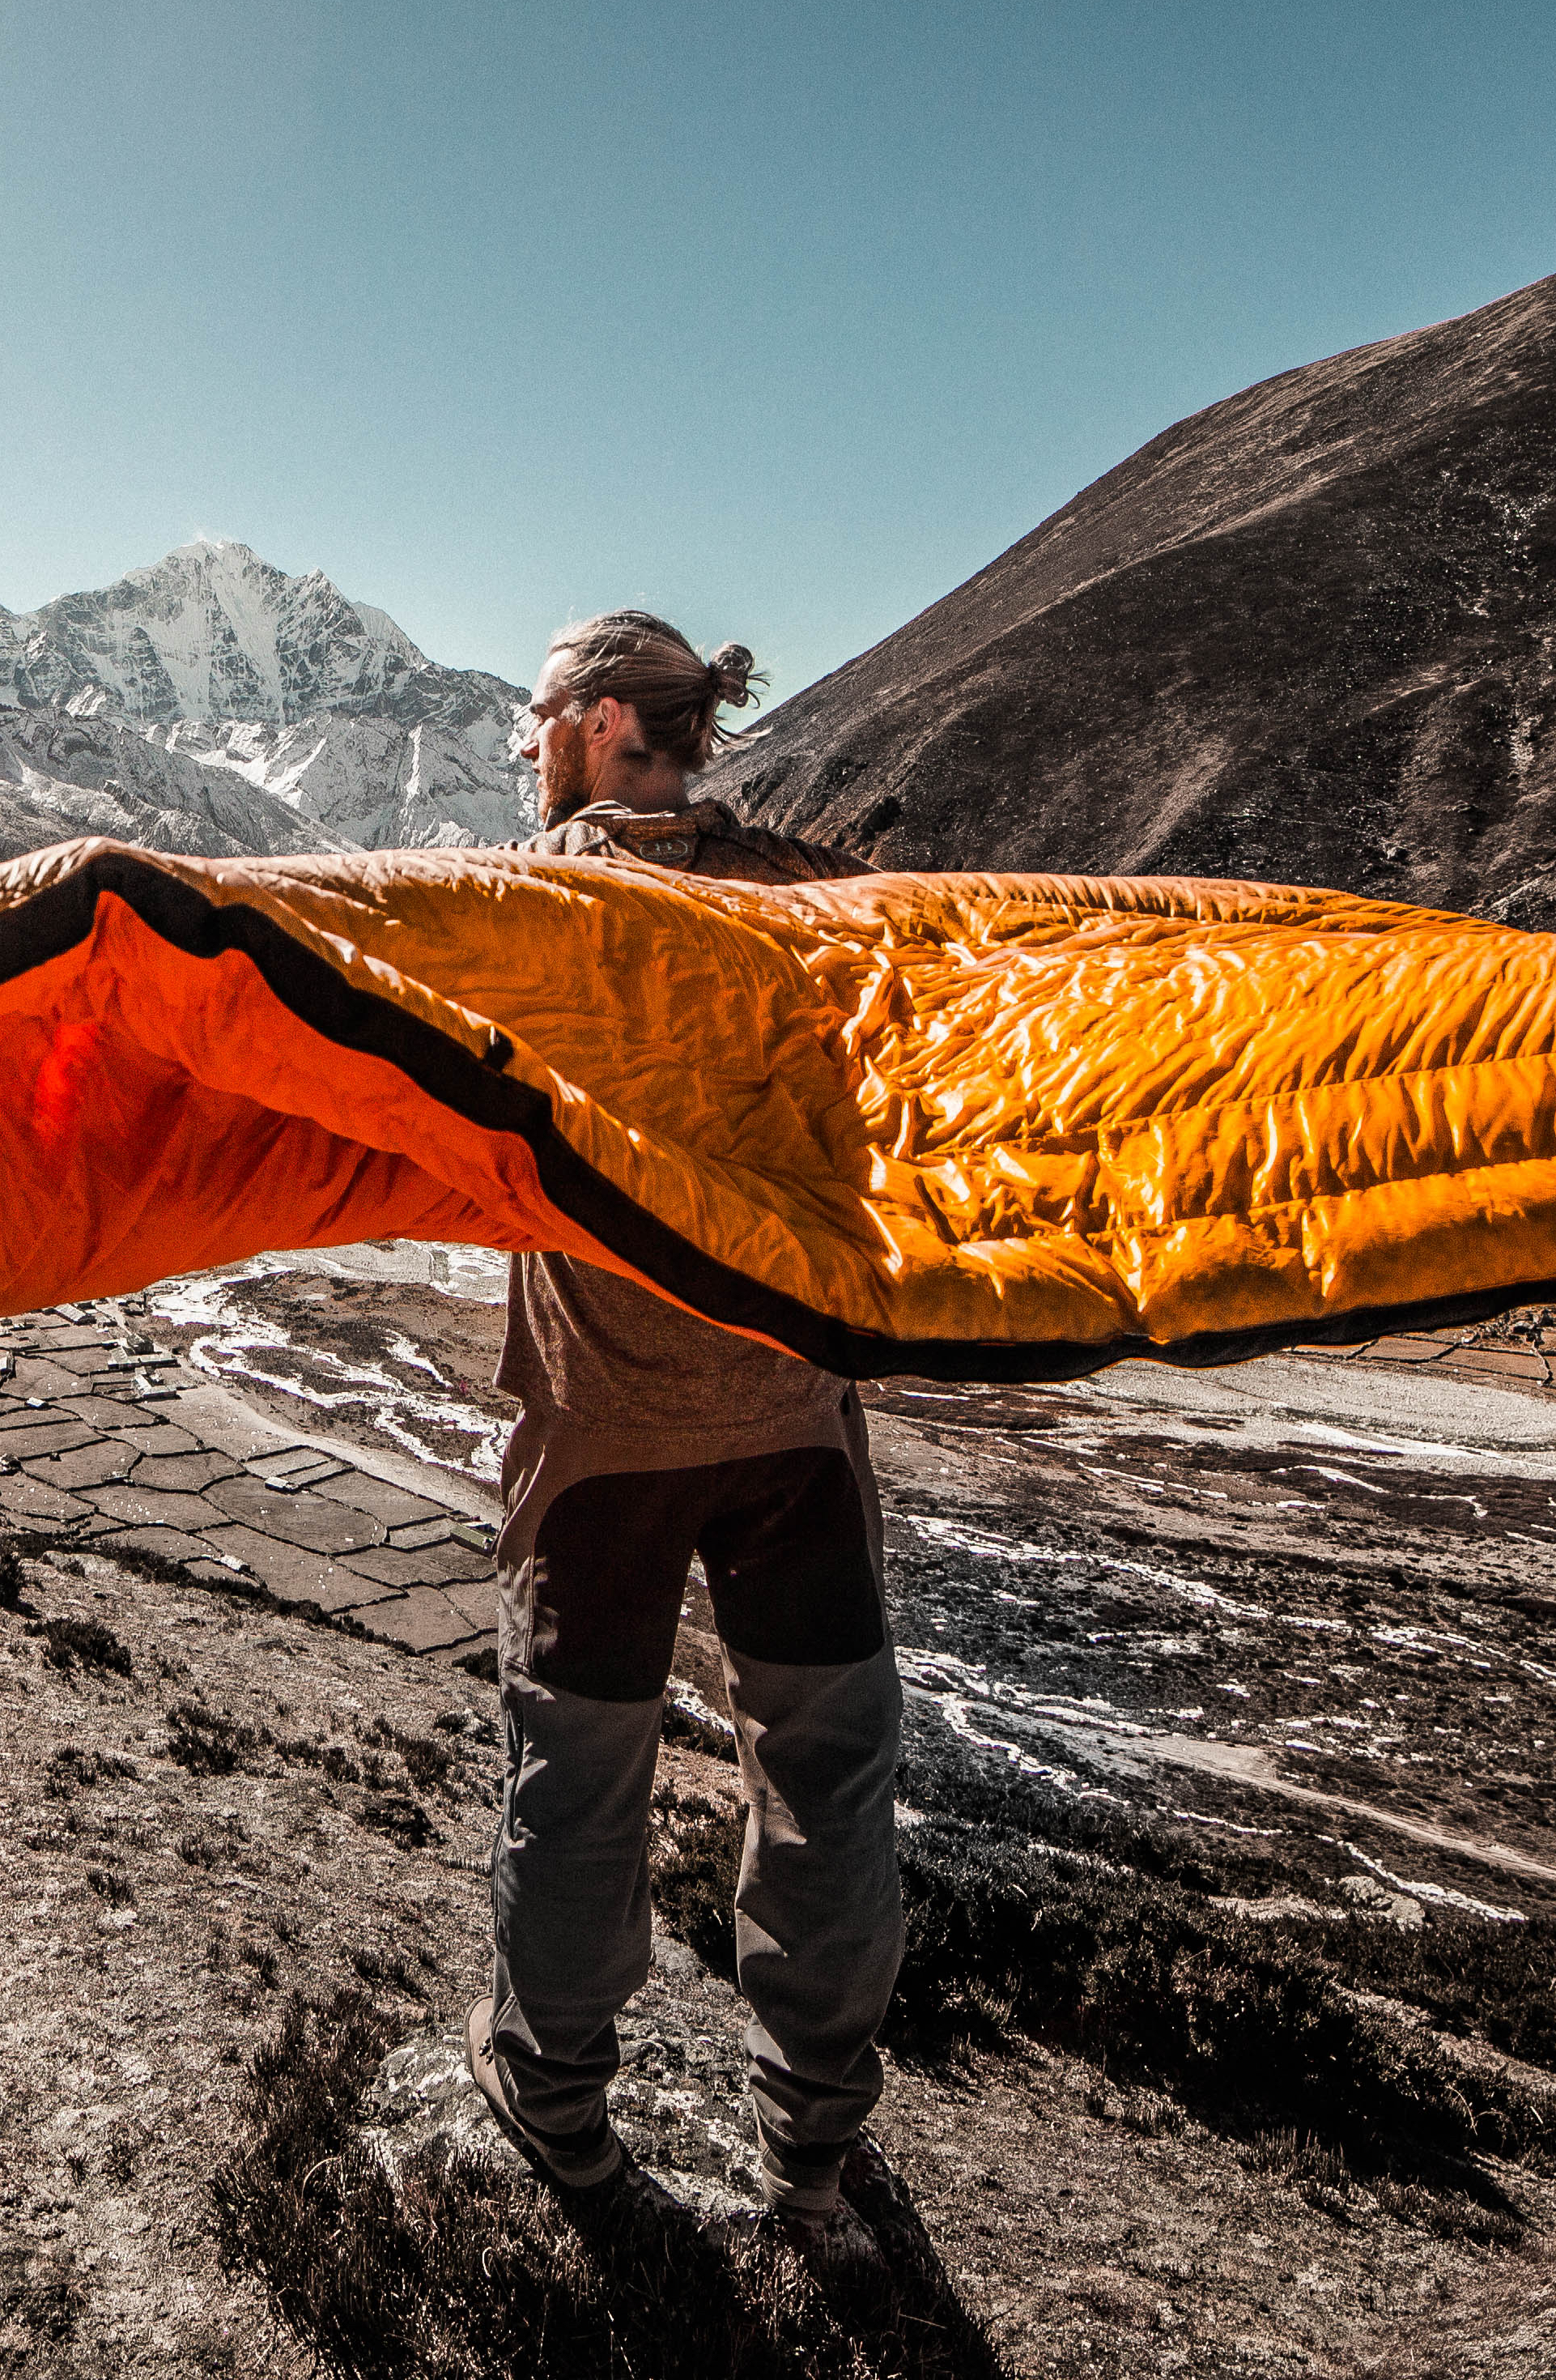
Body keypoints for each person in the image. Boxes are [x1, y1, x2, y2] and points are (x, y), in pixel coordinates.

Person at [464, 608, 945, 2293]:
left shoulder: (530, 909)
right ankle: (813, 2141)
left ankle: (557, 2106)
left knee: (577, 1777)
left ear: (599, 727)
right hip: (797, 1430)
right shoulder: (814, 897)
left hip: (605, 1444)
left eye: (537, 720)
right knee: (826, 1785)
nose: (525, 746)